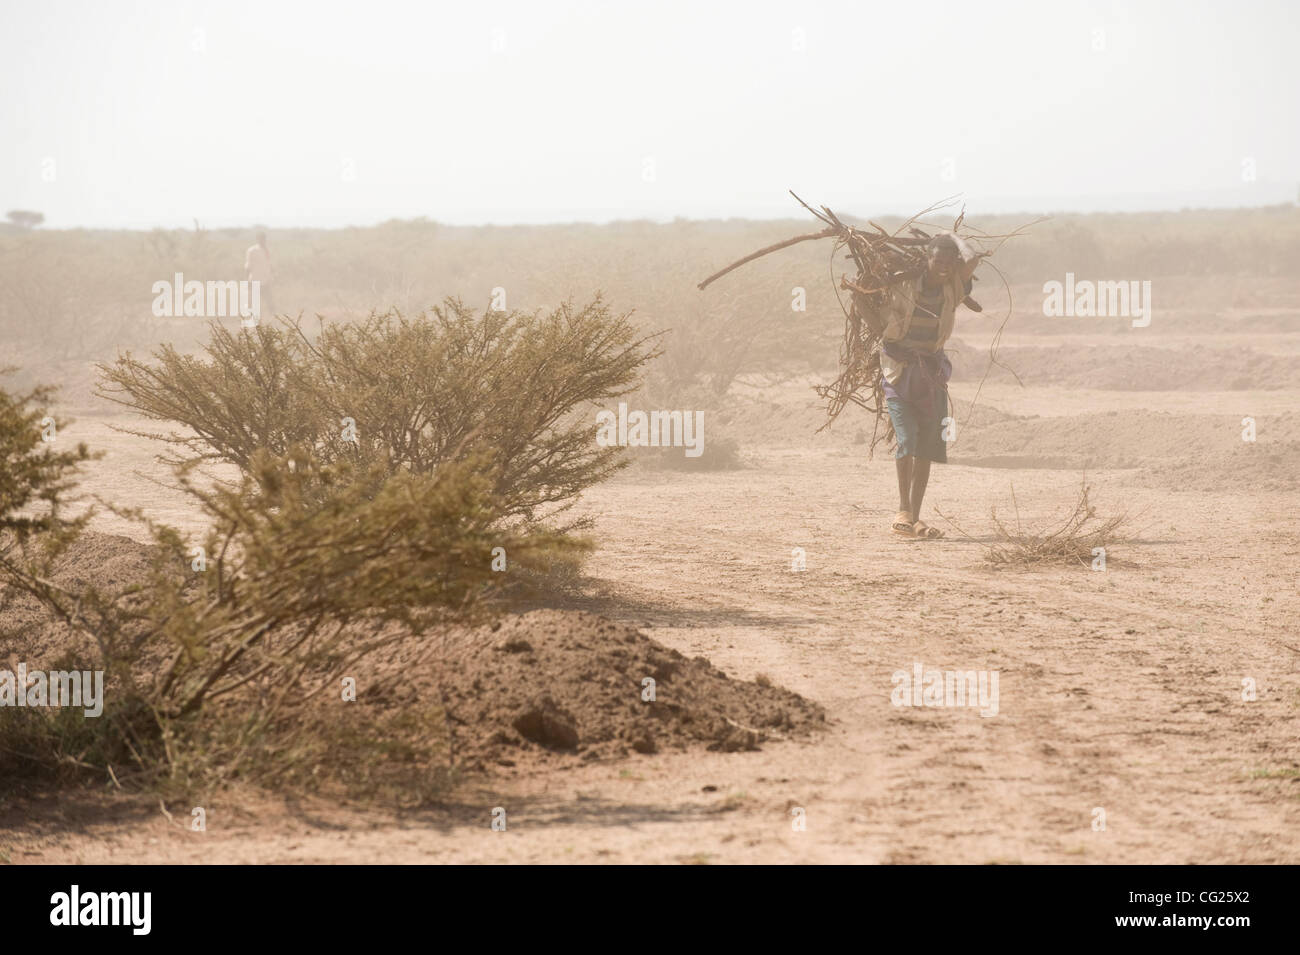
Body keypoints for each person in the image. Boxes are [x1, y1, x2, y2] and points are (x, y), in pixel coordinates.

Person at [878, 233, 976, 539]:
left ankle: (915, 519)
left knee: (925, 449)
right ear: (927, 260)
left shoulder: (953, 289)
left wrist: (951, 237)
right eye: (937, 260)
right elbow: (874, 311)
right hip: (898, 374)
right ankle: (903, 509)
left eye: (949, 262)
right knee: (907, 440)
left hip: (931, 376)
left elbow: (972, 258)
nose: (943, 267)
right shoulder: (903, 286)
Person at [243, 231, 275, 318]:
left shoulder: (267, 250)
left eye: (264, 238)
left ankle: (273, 318)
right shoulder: (252, 251)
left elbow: (269, 265)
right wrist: (247, 280)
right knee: (254, 302)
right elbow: (248, 266)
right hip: (255, 280)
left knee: (269, 301)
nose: (263, 240)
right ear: (257, 239)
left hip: (266, 280)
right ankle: (252, 318)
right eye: (261, 238)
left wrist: (272, 276)